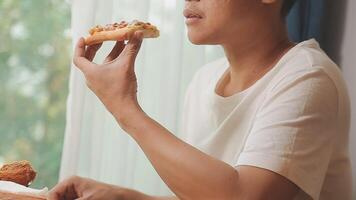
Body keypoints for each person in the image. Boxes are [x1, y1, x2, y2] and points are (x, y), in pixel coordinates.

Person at [49, 0, 352, 199]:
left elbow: (242, 196)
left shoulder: (308, 76)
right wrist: (125, 197)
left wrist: (123, 107)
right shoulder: (203, 81)